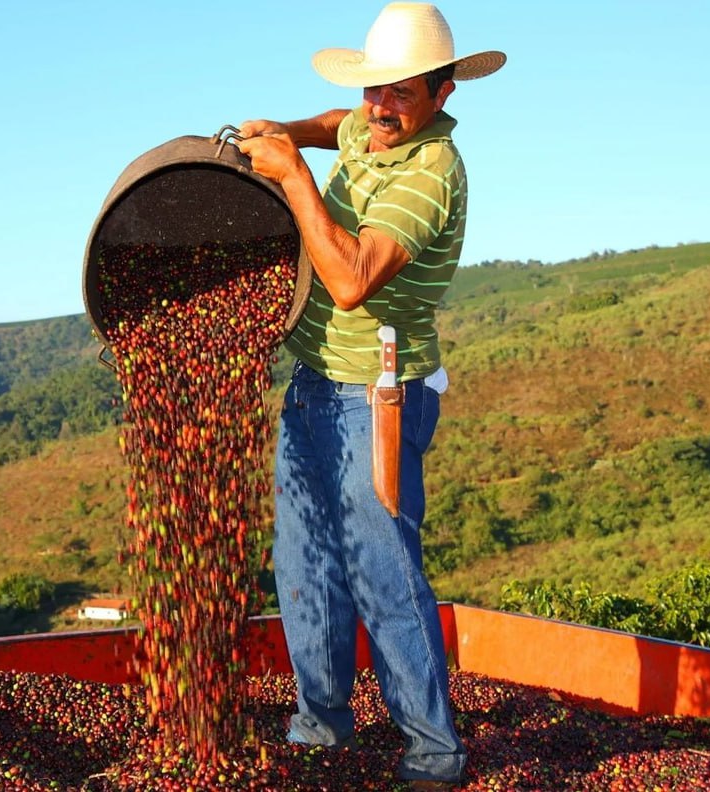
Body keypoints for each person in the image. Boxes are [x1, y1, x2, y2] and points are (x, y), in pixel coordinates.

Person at [236, 3, 505, 788]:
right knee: (306, 565)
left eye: (402, 94)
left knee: (382, 574)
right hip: (313, 384)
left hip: (377, 396)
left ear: (444, 93)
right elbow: (338, 124)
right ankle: (321, 723)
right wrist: (285, 134)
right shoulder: (369, 123)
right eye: (373, 89)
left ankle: (434, 752)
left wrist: (292, 177)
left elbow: (352, 280)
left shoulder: (431, 173)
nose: (380, 109)